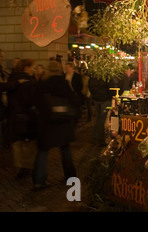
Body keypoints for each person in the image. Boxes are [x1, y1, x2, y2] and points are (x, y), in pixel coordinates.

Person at [33, 60, 78, 190]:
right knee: (65, 149)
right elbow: (73, 100)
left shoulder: (42, 83)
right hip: (63, 121)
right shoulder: (63, 83)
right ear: (59, 69)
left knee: (43, 150)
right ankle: (70, 176)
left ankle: (39, 181)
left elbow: (36, 101)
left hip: (46, 122)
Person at [6, 59, 38, 179]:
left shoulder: (11, 78)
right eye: (32, 67)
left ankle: (18, 167)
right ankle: (27, 166)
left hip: (13, 115)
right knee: (29, 142)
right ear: (26, 68)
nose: (33, 69)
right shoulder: (29, 81)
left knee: (16, 143)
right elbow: (30, 99)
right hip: (26, 115)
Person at [88, 75, 114, 146]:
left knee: (97, 118)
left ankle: (96, 138)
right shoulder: (106, 76)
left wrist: (94, 96)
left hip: (97, 99)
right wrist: (110, 96)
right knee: (103, 119)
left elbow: (89, 86)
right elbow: (111, 87)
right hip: (105, 100)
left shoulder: (93, 76)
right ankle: (101, 140)